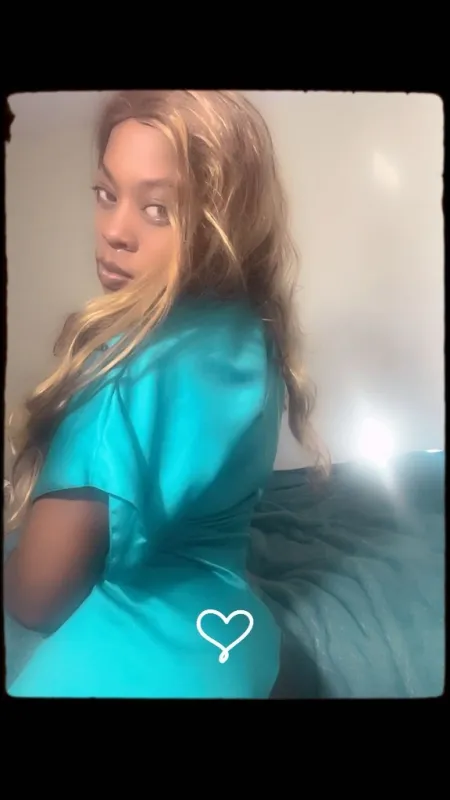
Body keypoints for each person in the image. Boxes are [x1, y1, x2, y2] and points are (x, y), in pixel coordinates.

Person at [5, 90, 324, 698]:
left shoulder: (119, 370)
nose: (114, 231)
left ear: (222, 223)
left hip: (126, 668)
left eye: (158, 210)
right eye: (106, 193)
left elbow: (36, 599)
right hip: (241, 651)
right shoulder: (252, 332)